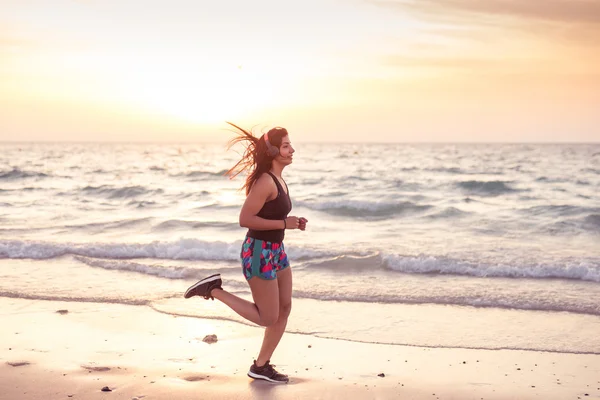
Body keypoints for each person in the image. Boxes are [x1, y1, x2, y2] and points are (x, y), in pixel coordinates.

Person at [184, 122, 307, 384]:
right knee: (268, 317)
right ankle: (213, 290)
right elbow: (245, 218)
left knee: (285, 307)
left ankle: (261, 366)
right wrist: (284, 223)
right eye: (286, 146)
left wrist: (292, 222)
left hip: (276, 251)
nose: (292, 150)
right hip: (259, 251)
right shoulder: (265, 181)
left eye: (290, 145)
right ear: (273, 150)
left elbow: (273, 215)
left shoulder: (279, 180)